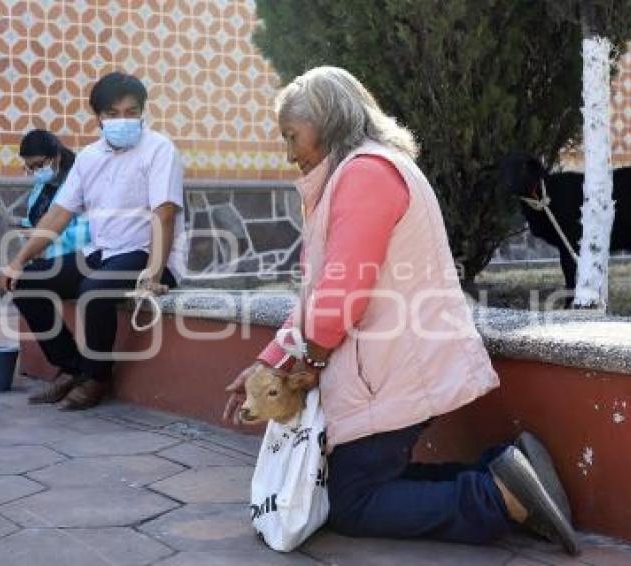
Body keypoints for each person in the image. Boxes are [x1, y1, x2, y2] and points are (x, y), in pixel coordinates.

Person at [223, 66, 580, 554]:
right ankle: (505, 470)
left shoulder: (365, 174)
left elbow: (336, 301)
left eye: (292, 136)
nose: (289, 153)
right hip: (391, 363)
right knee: (356, 483)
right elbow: (319, 299)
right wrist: (270, 363)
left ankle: (498, 499)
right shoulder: (364, 170)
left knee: (353, 502)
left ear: (326, 121)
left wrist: (307, 360)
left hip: (392, 367)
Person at [0, 71, 187, 411]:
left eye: (131, 112)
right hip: (102, 253)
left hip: (146, 255)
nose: (123, 120)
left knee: (94, 291)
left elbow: (164, 214)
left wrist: (155, 274)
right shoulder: (88, 158)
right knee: (28, 284)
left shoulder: (160, 150)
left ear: (143, 112)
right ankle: (72, 368)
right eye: (113, 114)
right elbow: (58, 214)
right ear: (98, 117)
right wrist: (18, 261)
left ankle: (97, 378)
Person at [17, 129, 90, 259]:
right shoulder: (42, 184)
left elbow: (87, 232)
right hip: (43, 259)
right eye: (30, 168)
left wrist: (46, 237)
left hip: (71, 261)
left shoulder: (81, 182)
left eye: (39, 165)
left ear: (57, 156)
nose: (36, 171)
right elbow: (35, 217)